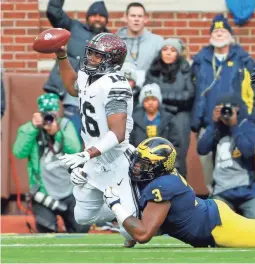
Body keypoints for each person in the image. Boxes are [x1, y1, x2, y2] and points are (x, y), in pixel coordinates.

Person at [104, 137, 255, 248]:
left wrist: (115, 205)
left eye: (143, 164)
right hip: (212, 215)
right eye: (136, 161)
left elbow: (143, 235)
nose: (136, 167)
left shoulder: (161, 185)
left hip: (218, 227)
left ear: (159, 166)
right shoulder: (160, 179)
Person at [53, 33, 139, 246]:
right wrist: (61, 56)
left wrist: (85, 155)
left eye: (97, 55)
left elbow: (117, 134)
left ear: (112, 60)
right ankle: (115, 209)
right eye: (90, 52)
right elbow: (73, 87)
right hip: (94, 157)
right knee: (82, 217)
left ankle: (132, 207)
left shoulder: (116, 85)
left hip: (117, 159)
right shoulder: (87, 75)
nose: (90, 57)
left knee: (131, 234)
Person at [190, 14, 255, 192]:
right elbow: (194, 91)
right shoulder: (200, 61)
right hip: (209, 125)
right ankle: (216, 204)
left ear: (230, 34)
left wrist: (250, 120)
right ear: (210, 35)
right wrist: (197, 122)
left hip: (236, 124)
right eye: (215, 31)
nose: (219, 34)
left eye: (223, 30)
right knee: (210, 173)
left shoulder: (244, 60)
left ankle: (244, 206)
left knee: (240, 167)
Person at [13, 93, 89, 233]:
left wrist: (57, 132)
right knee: (46, 230)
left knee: (81, 227)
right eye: (45, 115)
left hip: (70, 191)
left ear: (57, 113)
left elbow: (74, 149)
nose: (49, 120)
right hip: (44, 193)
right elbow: (19, 152)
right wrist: (33, 127)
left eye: (52, 115)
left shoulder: (65, 125)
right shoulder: (30, 130)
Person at [197, 94, 255, 221]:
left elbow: (248, 151)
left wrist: (234, 126)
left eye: (229, 109)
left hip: (247, 191)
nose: (226, 113)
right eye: (222, 110)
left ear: (237, 110)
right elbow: (202, 150)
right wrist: (213, 124)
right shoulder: (216, 128)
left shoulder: (246, 125)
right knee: (213, 225)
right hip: (221, 191)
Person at [44, 0, 109, 136]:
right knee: (52, 129)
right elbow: (53, 12)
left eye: (101, 16)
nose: (97, 18)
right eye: (94, 15)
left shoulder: (109, 39)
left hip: (90, 97)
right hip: (60, 88)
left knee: (84, 138)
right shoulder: (74, 27)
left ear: (106, 20)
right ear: (87, 17)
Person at [145, 38, 194, 177]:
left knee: (178, 156)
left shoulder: (184, 69)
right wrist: (168, 102)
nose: (168, 53)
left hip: (180, 117)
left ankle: (180, 188)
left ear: (178, 53)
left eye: (172, 50)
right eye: (165, 49)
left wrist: (161, 97)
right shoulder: (154, 69)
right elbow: (148, 94)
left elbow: (188, 95)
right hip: (158, 116)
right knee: (156, 153)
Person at [130, 83, 180, 170]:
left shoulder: (169, 119)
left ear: (159, 100)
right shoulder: (134, 120)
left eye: (153, 99)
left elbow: (176, 143)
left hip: (163, 163)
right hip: (141, 164)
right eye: (146, 100)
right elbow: (131, 143)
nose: (150, 102)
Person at [116, 2, 164, 86]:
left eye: (140, 16)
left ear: (145, 19)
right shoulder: (115, 41)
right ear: (125, 18)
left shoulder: (158, 42)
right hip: (121, 92)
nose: (136, 19)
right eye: (133, 16)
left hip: (149, 95)